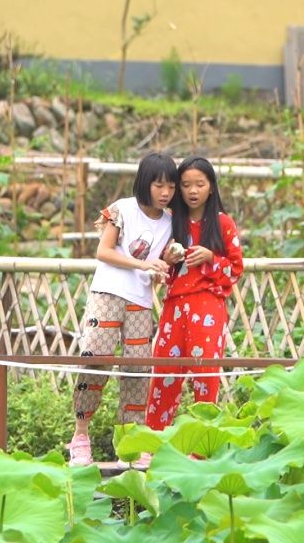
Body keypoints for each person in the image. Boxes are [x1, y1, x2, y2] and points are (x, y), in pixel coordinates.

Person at [67, 152, 178, 468]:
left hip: (140, 302)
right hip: (107, 292)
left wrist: (157, 271)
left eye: (170, 186)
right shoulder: (122, 209)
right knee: (94, 359)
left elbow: (159, 264)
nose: (165, 192)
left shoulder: (170, 223)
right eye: (159, 185)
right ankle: (80, 437)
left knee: (138, 370)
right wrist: (143, 263)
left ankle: (130, 444)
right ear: (146, 182)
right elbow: (104, 251)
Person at [145, 156, 244, 431]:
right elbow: (160, 270)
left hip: (208, 306)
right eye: (186, 184)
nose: (192, 191)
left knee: (206, 374)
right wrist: (167, 259)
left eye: (199, 184)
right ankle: (153, 442)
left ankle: (202, 446)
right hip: (174, 306)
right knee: (164, 373)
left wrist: (211, 257)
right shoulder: (171, 221)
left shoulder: (223, 223)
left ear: (211, 187)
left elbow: (236, 269)